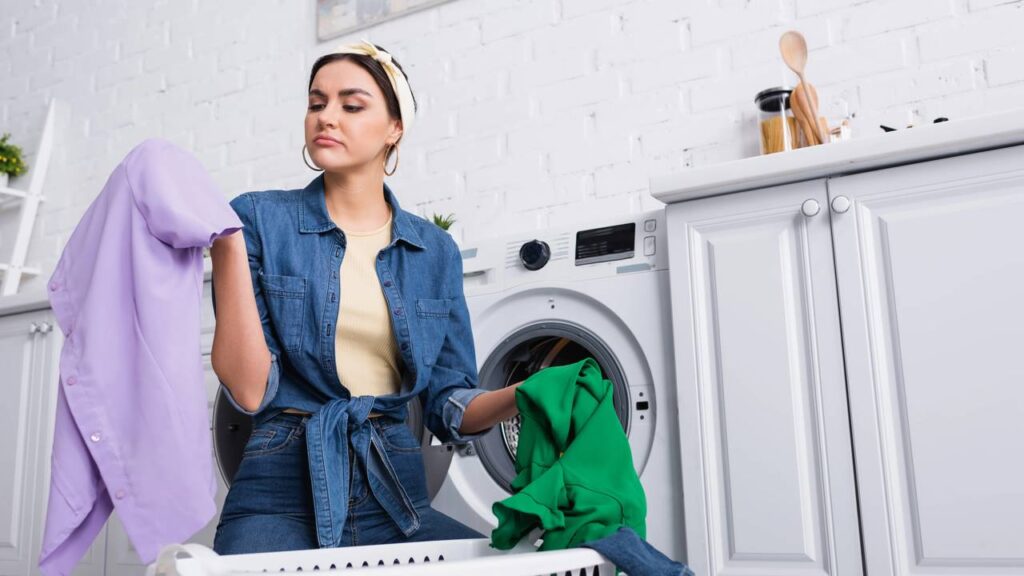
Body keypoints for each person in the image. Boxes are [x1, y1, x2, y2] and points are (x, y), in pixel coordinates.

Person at [208, 40, 520, 554]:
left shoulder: (434, 251)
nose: (327, 117)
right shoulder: (257, 220)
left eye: (351, 105)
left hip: (395, 487)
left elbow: (449, 404)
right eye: (316, 103)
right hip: (279, 488)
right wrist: (225, 246)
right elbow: (247, 390)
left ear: (395, 128)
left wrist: (524, 393)